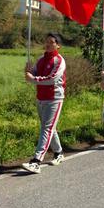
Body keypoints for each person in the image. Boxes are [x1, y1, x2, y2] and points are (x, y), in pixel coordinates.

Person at [22, 33, 66, 174]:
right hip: (41, 98)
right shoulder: (41, 59)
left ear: (58, 45)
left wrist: (33, 79)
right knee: (48, 128)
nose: (47, 44)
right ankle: (59, 153)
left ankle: (36, 161)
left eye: (51, 42)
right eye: (46, 41)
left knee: (46, 128)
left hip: (54, 98)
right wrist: (28, 71)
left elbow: (51, 79)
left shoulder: (59, 61)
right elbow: (32, 74)